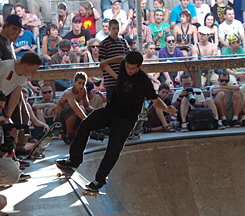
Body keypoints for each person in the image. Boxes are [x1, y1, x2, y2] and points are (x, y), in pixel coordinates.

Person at [56, 51, 176, 192]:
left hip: (126, 119)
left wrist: (166, 108)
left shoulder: (144, 81)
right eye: (127, 67)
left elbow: (155, 100)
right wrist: (109, 61)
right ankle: (74, 160)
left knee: (113, 148)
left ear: (140, 66)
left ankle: (99, 180)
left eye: (133, 68)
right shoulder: (124, 65)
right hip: (111, 110)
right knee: (87, 123)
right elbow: (118, 59)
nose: (129, 71)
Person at [54, 72, 94, 142]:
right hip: (60, 121)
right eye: (79, 83)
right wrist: (88, 121)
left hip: (73, 117)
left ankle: (76, 131)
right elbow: (75, 108)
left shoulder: (83, 90)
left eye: (83, 83)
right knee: (72, 108)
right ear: (74, 82)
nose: (81, 86)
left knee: (82, 108)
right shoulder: (69, 93)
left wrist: (97, 112)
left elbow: (87, 107)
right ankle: (68, 135)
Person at [98, 19, 130, 98]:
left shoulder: (123, 42)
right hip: (111, 82)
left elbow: (129, 58)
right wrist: (116, 76)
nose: (116, 31)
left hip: (124, 79)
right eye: (114, 28)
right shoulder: (104, 44)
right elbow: (103, 64)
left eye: (118, 28)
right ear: (109, 29)